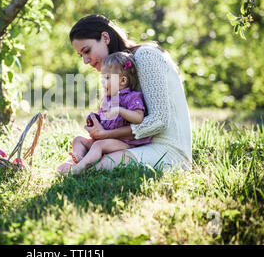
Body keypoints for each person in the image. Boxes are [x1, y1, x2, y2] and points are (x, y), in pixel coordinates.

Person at [57, 14, 192, 174]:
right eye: (81, 56)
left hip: (167, 151)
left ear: (105, 38)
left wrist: (106, 135)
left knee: (95, 169)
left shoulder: (146, 55)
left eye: (87, 51)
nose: (86, 61)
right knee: (67, 167)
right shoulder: (115, 74)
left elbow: (159, 121)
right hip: (138, 145)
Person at [60, 51, 153, 176]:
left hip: (125, 142)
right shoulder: (107, 99)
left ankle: (78, 170)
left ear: (123, 81)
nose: (103, 81)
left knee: (98, 145)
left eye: (107, 78)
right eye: (102, 77)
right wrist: (95, 121)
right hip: (108, 139)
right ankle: (79, 158)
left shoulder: (132, 97)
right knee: (79, 140)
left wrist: (119, 110)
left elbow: (138, 118)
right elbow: (106, 121)